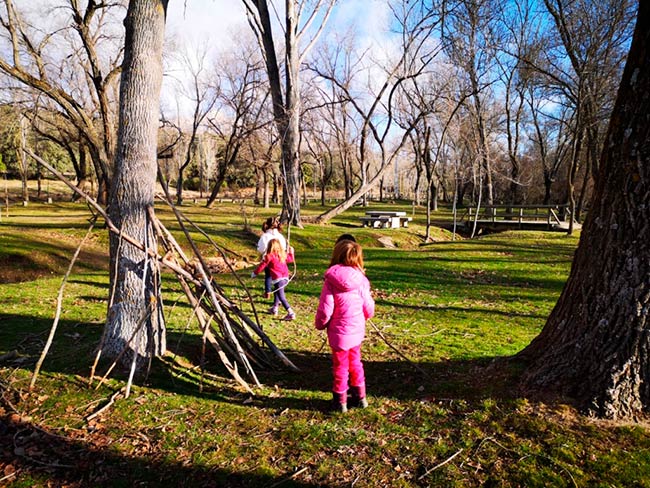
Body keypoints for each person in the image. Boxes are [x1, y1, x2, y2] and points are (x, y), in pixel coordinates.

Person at [315, 240, 375, 413]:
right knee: (356, 363)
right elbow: (368, 306)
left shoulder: (331, 281)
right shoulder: (361, 279)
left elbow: (326, 309)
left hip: (339, 333)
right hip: (356, 331)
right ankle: (360, 397)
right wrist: (365, 315)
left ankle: (340, 401)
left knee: (340, 366)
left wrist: (320, 324)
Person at [252, 239, 296, 321]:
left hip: (278, 279)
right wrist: (291, 253)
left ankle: (291, 313)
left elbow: (262, 265)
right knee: (277, 291)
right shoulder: (282, 255)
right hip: (285, 278)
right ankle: (275, 308)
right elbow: (290, 259)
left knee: (281, 297)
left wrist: (255, 273)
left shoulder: (269, 256)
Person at [256, 217, 287, 299]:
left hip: (268, 259)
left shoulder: (265, 236)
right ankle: (278, 296)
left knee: (268, 276)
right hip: (279, 260)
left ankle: (268, 292)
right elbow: (284, 247)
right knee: (278, 277)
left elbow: (260, 248)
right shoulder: (280, 236)